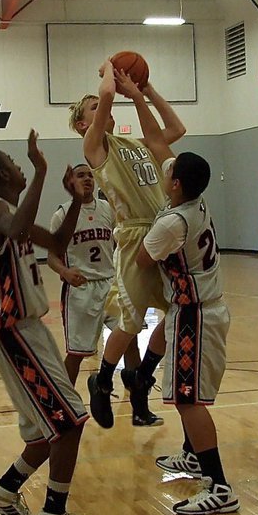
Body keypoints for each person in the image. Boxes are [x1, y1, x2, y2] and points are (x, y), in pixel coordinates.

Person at [0, 131, 95, 515]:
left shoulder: (12, 211)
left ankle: (4, 490)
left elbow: (57, 244)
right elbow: (19, 226)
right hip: (13, 332)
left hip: (31, 330)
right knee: (69, 422)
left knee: (50, 430)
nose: (20, 165)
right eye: (15, 161)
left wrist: (75, 200)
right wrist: (41, 170)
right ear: (4, 173)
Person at [70, 59, 186, 428]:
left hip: (163, 231)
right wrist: (108, 68)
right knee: (131, 321)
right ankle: (102, 380)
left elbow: (176, 128)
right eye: (93, 109)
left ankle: (142, 377)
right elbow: (106, 92)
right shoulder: (96, 148)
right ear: (82, 124)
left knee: (180, 313)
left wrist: (147, 89)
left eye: (99, 105)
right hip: (135, 237)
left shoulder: (136, 144)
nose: (103, 106)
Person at [134, 122, 238, 515]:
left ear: (175, 184)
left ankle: (220, 486)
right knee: (183, 396)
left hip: (197, 314)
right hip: (193, 309)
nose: (165, 174)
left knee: (189, 400)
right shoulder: (198, 203)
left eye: (169, 175)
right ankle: (193, 455)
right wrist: (139, 93)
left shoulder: (171, 223)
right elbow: (162, 147)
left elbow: (143, 259)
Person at [46, 165, 149, 424]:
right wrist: (65, 272)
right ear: (70, 182)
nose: (87, 179)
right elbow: (51, 256)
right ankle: (65, 403)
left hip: (110, 284)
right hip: (81, 289)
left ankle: (139, 403)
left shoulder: (107, 209)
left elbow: (120, 243)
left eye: (89, 175)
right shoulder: (62, 215)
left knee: (130, 339)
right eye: (80, 175)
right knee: (78, 353)